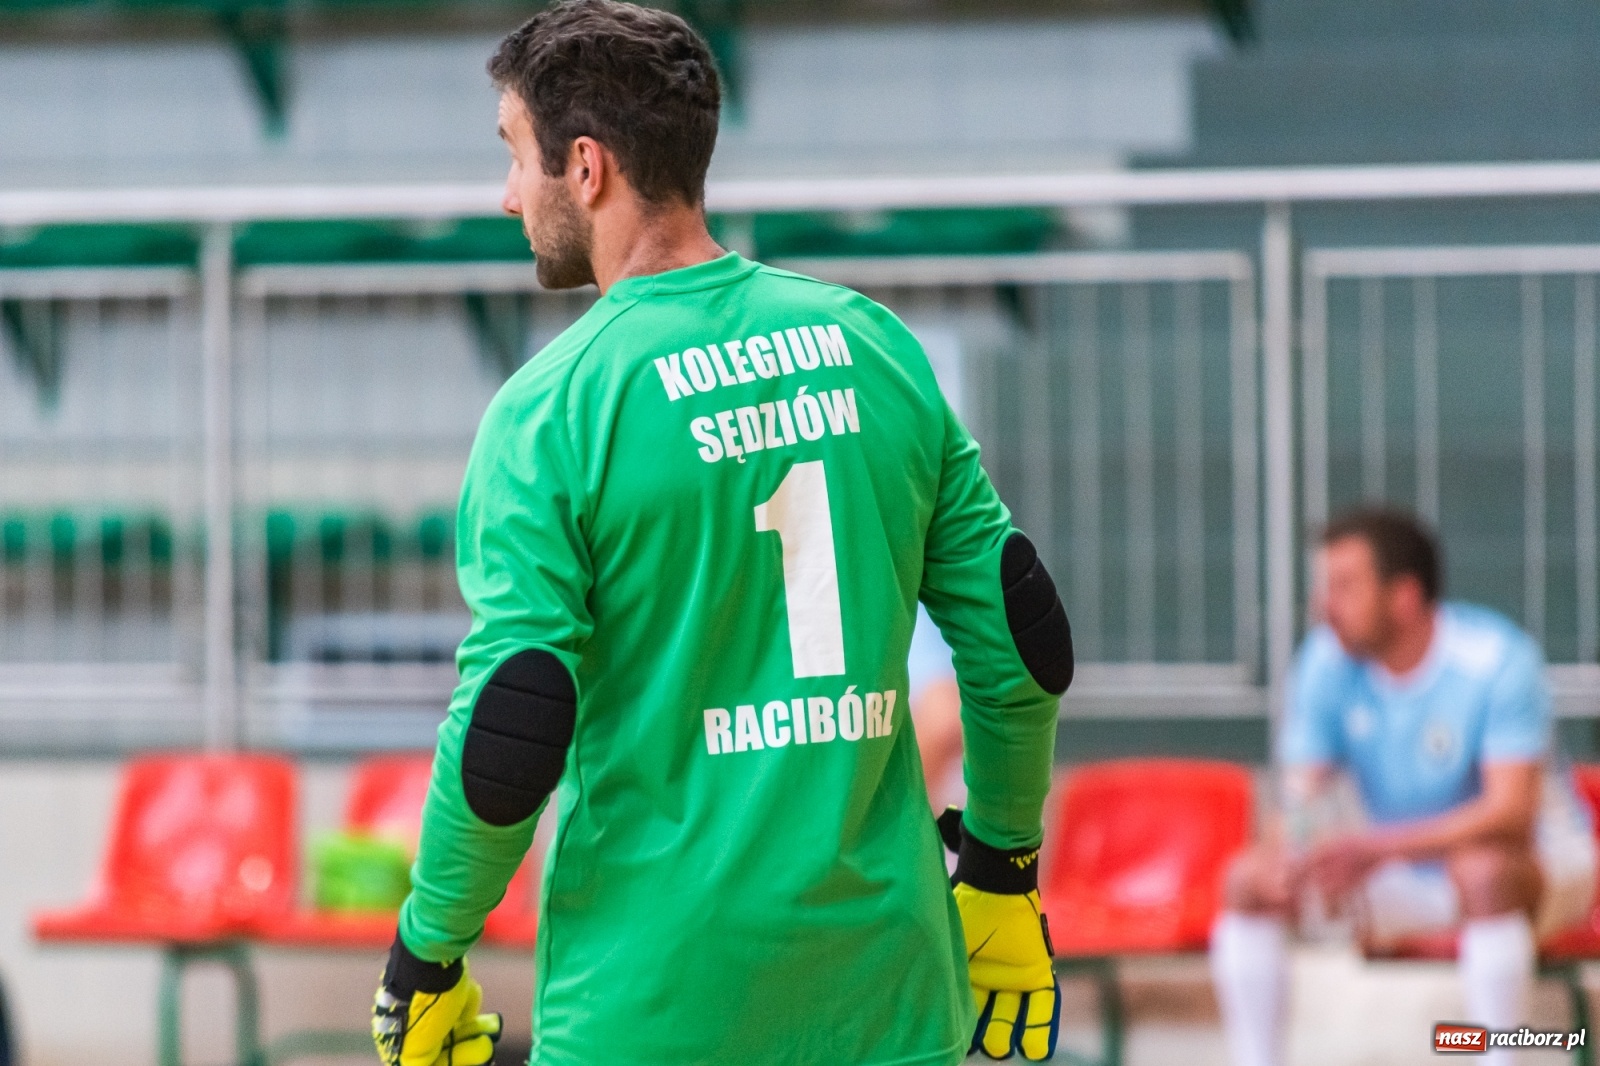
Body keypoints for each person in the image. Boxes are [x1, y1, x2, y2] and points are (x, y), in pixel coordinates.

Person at [367, 3, 1075, 1065]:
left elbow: (514, 718)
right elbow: (1020, 647)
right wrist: (1005, 868)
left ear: (588, 168)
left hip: (656, 1001)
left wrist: (428, 947)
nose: (508, 194)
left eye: (515, 156)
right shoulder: (871, 346)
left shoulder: (551, 410)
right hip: (886, 989)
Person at [1210, 507, 1596, 1066]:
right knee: (1248, 878)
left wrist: (1371, 848)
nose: (1325, 606)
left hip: (1541, 868)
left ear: (1405, 596)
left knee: (1480, 871)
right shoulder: (1325, 661)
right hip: (1400, 871)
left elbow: (1510, 813)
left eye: (1344, 587)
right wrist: (1298, 852)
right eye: (1324, 586)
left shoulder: (1497, 660)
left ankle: (1502, 1055)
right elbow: (1298, 794)